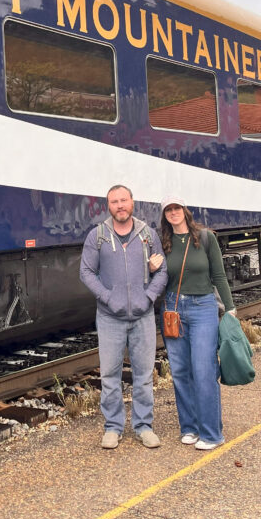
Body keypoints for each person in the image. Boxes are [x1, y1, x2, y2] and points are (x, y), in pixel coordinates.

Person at [80, 185, 168, 449]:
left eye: (123, 200)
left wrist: (148, 296)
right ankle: (113, 427)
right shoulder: (98, 236)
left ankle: (143, 426)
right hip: (109, 318)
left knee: (143, 375)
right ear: (109, 206)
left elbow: (162, 270)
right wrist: (108, 298)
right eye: (114, 201)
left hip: (142, 317)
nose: (120, 205)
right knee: (109, 375)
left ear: (132, 203)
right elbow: (86, 272)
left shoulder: (147, 234)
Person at [159, 200, 235, 450]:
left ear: (185, 210)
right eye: (168, 210)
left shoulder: (205, 238)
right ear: (164, 215)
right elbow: (158, 279)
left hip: (203, 307)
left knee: (204, 370)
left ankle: (212, 433)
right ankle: (189, 427)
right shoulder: (164, 243)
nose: (173, 213)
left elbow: (219, 275)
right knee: (180, 371)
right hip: (172, 309)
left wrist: (230, 308)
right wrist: (151, 269)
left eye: (176, 208)